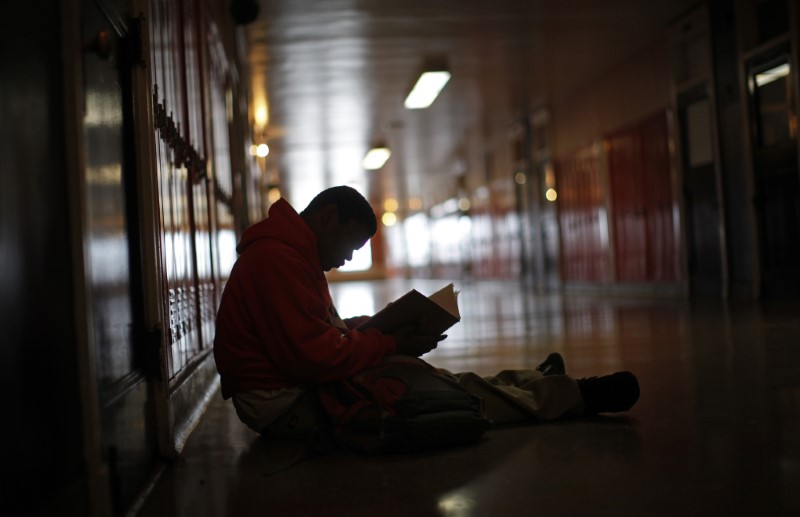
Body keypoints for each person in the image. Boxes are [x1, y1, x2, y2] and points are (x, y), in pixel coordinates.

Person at [213, 186, 639, 439]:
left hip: (295, 386)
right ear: (327, 218)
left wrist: (378, 329)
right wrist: (388, 342)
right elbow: (317, 357)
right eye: (349, 245)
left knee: (421, 376)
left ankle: (536, 383)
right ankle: (572, 396)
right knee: (435, 394)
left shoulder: (292, 254)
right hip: (282, 405)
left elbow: (322, 335)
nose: (346, 259)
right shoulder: (278, 259)